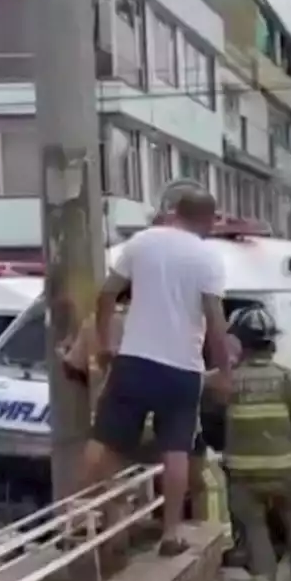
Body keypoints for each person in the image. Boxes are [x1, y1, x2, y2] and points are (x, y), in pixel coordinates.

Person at [83, 188, 232, 557]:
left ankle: (92, 511)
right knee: (176, 449)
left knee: (105, 440)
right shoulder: (208, 259)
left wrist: (103, 343)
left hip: (134, 360)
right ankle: (171, 533)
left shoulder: (142, 242)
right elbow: (215, 321)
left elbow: (106, 295)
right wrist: (224, 370)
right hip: (182, 369)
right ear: (208, 220)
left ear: (175, 211)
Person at [222, 305, 291, 581]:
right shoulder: (285, 378)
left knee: (254, 525)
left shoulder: (226, 381)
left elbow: (214, 423)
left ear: (240, 342)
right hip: (284, 470)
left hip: (242, 472)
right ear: (272, 343)